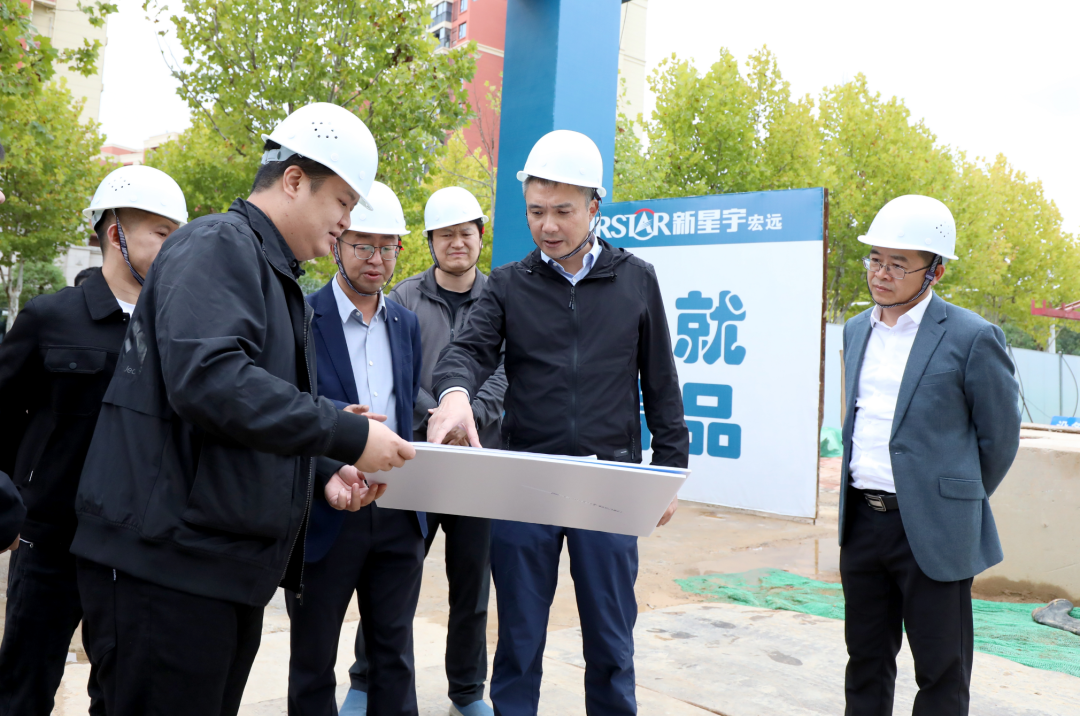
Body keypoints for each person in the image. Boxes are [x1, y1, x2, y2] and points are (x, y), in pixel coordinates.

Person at [69, 103, 415, 716]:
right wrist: (345, 433)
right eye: (341, 201)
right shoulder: (218, 245)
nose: (346, 222)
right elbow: (210, 381)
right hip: (167, 571)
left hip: (216, 569)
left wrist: (323, 468)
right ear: (294, 180)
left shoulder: (271, 274)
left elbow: (248, 415)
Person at [427, 130, 689, 716]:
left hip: (609, 481)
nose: (547, 226)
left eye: (563, 211)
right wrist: (455, 395)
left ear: (595, 207)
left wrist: (669, 470)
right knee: (519, 641)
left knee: (611, 641)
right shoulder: (509, 285)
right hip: (529, 481)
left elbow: (661, 383)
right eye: (535, 211)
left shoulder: (635, 279)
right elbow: (465, 351)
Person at [0, 164, 187, 715]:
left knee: (121, 692)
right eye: (161, 233)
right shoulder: (50, 317)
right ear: (115, 233)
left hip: (134, 547)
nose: (173, 248)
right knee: (23, 687)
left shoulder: (174, 329)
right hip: (50, 541)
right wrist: (9, 509)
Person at [838, 195, 1020, 715]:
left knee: (942, 671)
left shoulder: (972, 337)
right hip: (863, 521)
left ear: (935, 271)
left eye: (899, 264)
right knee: (865, 660)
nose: (881, 274)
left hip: (934, 529)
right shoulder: (856, 329)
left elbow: (1000, 438)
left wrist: (952, 499)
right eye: (876, 259)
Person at [287, 181, 427, 716]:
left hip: (397, 513)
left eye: (389, 247)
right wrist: (328, 468)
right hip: (326, 512)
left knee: (394, 655)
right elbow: (289, 412)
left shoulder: (406, 324)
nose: (376, 259)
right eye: (364, 245)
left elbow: (405, 406)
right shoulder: (301, 317)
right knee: (313, 658)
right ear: (338, 242)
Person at [371, 186, 507, 716]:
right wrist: (439, 417)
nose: (457, 243)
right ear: (429, 241)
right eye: (445, 234)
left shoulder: (502, 298)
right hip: (417, 460)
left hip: (478, 464)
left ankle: (467, 693)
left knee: (472, 587)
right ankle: (366, 678)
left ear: (480, 236)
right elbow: (396, 371)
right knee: (392, 578)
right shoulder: (404, 297)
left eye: (465, 233)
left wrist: (471, 414)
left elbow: (509, 370)